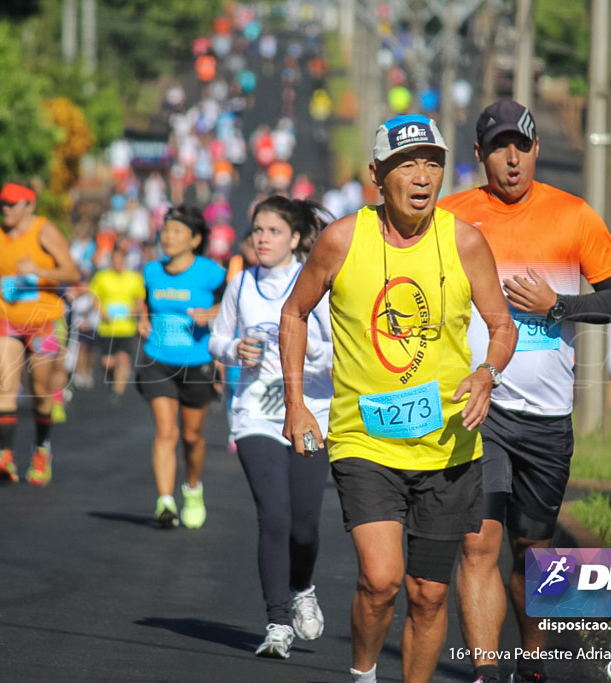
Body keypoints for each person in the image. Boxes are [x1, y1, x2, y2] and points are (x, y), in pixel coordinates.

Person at [280, 114, 516, 683]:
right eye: (406, 164)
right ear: (376, 175)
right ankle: (364, 674)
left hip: (447, 445)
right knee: (382, 579)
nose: (421, 176)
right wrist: (296, 403)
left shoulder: (463, 240)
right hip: (366, 439)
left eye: (432, 163)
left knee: (429, 594)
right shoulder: (343, 239)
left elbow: (502, 326)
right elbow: (294, 312)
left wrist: (487, 372)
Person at [437, 100, 611, 683]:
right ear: (480, 156)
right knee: (478, 545)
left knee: (533, 550)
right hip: (479, 406)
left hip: (547, 417)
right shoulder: (451, 218)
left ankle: (534, 662)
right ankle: (485, 670)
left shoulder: (574, 216)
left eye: (521, 145)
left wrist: (560, 306)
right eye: (499, 147)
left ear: (536, 150)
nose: (512, 158)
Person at [210, 196, 333, 659]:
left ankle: (302, 587)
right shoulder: (241, 284)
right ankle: (277, 622)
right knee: (274, 515)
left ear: (296, 239)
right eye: (258, 230)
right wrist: (234, 349)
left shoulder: (311, 286)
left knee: (303, 526)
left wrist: (301, 348)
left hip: (310, 413)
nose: (263, 239)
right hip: (255, 415)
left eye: (274, 231)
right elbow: (217, 340)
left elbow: (339, 353)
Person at [0, 182, 79, 485]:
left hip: (43, 321)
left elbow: (72, 272)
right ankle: (5, 456)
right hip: (6, 316)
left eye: (12, 204)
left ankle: (41, 449)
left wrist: (40, 271)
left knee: (40, 389)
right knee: (6, 382)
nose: (6, 209)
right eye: (3, 204)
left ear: (30, 206)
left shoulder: (43, 230)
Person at [137, 205, 225, 529]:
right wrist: (143, 319)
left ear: (195, 239)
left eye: (177, 232)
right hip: (157, 359)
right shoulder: (151, 271)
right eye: (166, 231)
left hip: (197, 362)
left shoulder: (211, 272)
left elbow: (230, 303)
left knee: (191, 436)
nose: (169, 237)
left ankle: (193, 489)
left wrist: (212, 313)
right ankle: (165, 501)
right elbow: (145, 302)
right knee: (166, 431)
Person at [89, 245, 145, 403]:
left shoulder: (134, 278)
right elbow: (94, 299)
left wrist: (134, 311)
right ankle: (110, 377)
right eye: (115, 260)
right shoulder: (101, 277)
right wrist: (103, 313)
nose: (118, 263)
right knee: (107, 362)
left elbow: (141, 300)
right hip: (108, 327)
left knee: (123, 358)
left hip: (127, 327)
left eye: (120, 260)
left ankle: (118, 392)